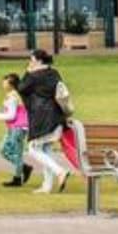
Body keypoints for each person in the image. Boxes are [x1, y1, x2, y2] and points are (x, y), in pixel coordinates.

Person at [18, 49, 72, 195]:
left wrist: (28, 72)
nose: (29, 61)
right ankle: (46, 186)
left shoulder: (34, 76)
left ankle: (60, 171)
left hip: (42, 118)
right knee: (46, 150)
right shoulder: (54, 73)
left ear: (38, 60)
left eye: (31, 59)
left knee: (33, 149)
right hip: (56, 116)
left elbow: (21, 88)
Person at [0, 71, 30, 187]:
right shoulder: (15, 94)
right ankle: (22, 170)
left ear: (11, 83)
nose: (3, 83)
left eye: (5, 81)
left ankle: (19, 175)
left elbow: (11, 115)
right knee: (8, 150)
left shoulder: (13, 96)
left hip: (18, 128)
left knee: (9, 151)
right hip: (15, 127)